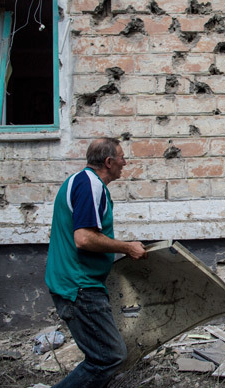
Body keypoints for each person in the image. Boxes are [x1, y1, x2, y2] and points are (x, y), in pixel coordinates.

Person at [45, 137, 147, 387]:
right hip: (79, 286)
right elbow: (84, 239)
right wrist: (126, 248)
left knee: (103, 357)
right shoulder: (91, 184)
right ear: (109, 161)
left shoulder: (79, 181)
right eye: (122, 157)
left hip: (75, 281)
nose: (125, 162)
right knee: (108, 358)